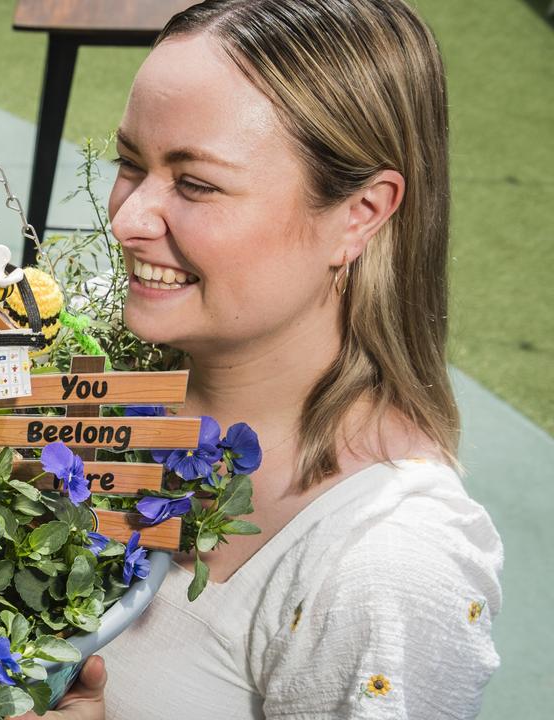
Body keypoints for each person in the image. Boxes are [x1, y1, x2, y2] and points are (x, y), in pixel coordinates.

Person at [100, 1, 502, 717]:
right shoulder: (111, 376)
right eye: (130, 163)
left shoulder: (388, 569)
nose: (127, 220)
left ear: (360, 214)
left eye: (196, 184)